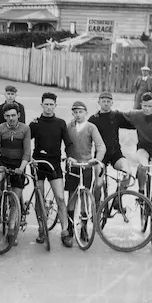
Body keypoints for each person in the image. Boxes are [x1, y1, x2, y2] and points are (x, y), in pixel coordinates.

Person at [29, 93, 74, 248]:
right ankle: (42, 229)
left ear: (55, 105)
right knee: (39, 198)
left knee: (60, 198)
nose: (48, 107)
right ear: (41, 105)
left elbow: (68, 144)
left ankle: (65, 232)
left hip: (54, 164)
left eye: (51, 104)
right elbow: (26, 142)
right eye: (46, 104)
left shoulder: (61, 123)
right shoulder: (35, 123)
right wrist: (29, 158)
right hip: (38, 164)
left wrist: (69, 157)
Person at [0, 103, 33, 244]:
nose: (11, 118)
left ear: (19, 115)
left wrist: (21, 167)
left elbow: (27, 152)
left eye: (13, 115)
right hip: (3, 164)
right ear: (4, 117)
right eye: (8, 116)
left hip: (18, 166)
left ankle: (11, 228)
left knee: (15, 199)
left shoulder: (25, 129)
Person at [64, 101, 105, 241]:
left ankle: (83, 228)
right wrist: (69, 157)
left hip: (86, 165)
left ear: (86, 113)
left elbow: (101, 146)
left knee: (84, 197)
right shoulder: (68, 127)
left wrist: (96, 159)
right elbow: (63, 143)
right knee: (72, 196)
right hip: (72, 165)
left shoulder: (91, 127)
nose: (78, 115)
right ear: (72, 113)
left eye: (81, 112)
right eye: (75, 112)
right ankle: (70, 228)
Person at [89, 92, 134, 203]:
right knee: (98, 184)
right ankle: (96, 206)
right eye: (103, 101)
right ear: (99, 102)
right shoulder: (94, 119)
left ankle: (117, 200)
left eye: (108, 101)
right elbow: (86, 135)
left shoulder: (116, 116)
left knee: (128, 173)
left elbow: (133, 124)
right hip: (100, 155)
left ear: (112, 103)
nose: (106, 103)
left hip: (115, 153)